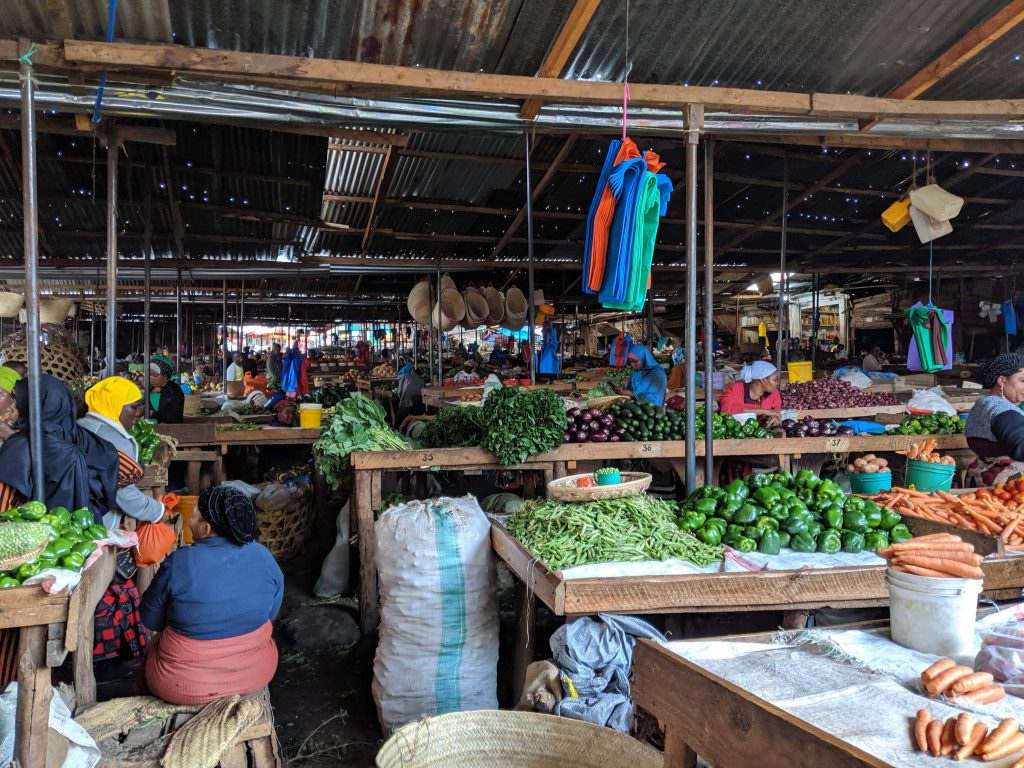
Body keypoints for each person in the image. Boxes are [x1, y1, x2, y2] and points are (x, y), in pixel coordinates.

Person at [139, 487, 283, 705]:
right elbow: (270, 612)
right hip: (255, 674)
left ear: (206, 528)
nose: (189, 522)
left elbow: (150, 620)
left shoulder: (179, 562)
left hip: (183, 685)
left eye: (194, 516)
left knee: (152, 650)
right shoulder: (263, 556)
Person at [0, 373, 117, 517]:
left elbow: (3, 504)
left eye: (17, 398)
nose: (14, 403)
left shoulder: (18, 446)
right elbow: (132, 472)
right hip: (83, 533)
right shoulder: (84, 438)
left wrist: (15, 440)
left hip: (36, 535)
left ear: (32, 404)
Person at [78, 377, 168, 531]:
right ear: (114, 405)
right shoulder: (116, 441)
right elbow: (124, 494)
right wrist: (159, 512)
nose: (139, 413)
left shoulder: (80, 425)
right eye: (134, 407)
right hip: (100, 526)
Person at [966, 354, 1024, 486]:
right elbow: (1020, 447)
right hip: (1005, 486)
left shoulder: (983, 403)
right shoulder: (1000, 408)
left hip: (982, 476)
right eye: (1023, 381)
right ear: (1002, 380)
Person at [148, 356, 184, 424]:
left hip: (168, 430)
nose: (151, 378)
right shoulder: (149, 388)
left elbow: (175, 417)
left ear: (165, 376)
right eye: (149, 374)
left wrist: (153, 413)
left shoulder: (174, 391)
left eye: (155, 375)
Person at [395, 363, 424, 427]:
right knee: (416, 416)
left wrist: (400, 398)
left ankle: (397, 429)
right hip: (417, 399)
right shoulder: (421, 380)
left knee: (401, 416)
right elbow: (423, 392)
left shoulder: (405, 376)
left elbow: (400, 391)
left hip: (407, 397)